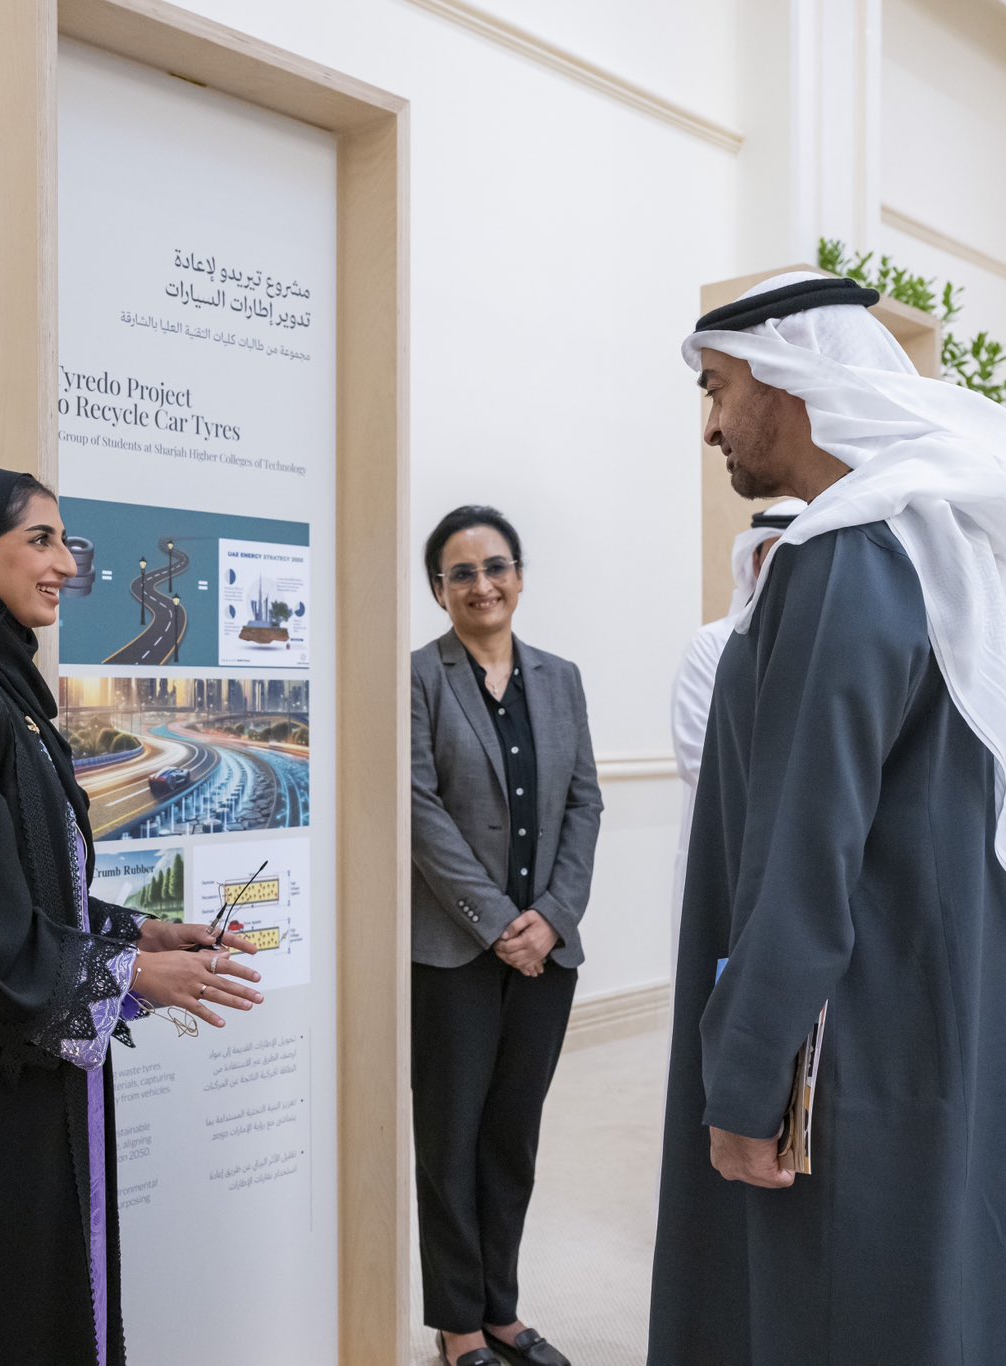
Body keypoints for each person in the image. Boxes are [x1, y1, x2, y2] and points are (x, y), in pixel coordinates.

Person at [649, 273, 1006, 1365]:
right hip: (930, 1008)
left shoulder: (844, 559)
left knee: (841, 1303)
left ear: (787, 387)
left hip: (855, 1041)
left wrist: (745, 1080)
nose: (709, 425)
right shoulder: (927, 550)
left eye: (718, 388)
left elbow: (805, 848)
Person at [0, 468, 264, 1365]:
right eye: (39, 539)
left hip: (29, 1078)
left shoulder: (6, 694)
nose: (63, 563)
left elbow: (30, 890)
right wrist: (133, 977)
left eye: (63, 541)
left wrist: (144, 936)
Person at [409, 505, 602, 1366]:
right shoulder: (418, 678)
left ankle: (502, 1310)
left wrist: (552, 918)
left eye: (495, 567)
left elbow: (584, 803)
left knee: (512, 1135)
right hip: (453, 952)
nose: (481, 585)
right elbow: (419, 812)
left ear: (520, 577)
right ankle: (457, 1326)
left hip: (545, 955)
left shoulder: (560, 677)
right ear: (438, 590)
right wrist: (497, 926)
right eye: (461, 573)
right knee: (450, 1138)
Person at [669, 501, 803, 954]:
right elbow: (698, 755)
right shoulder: (712, 644)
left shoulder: (822, 648)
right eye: (776, 552)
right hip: (727, 843)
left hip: (801, 853)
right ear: (753, 560)